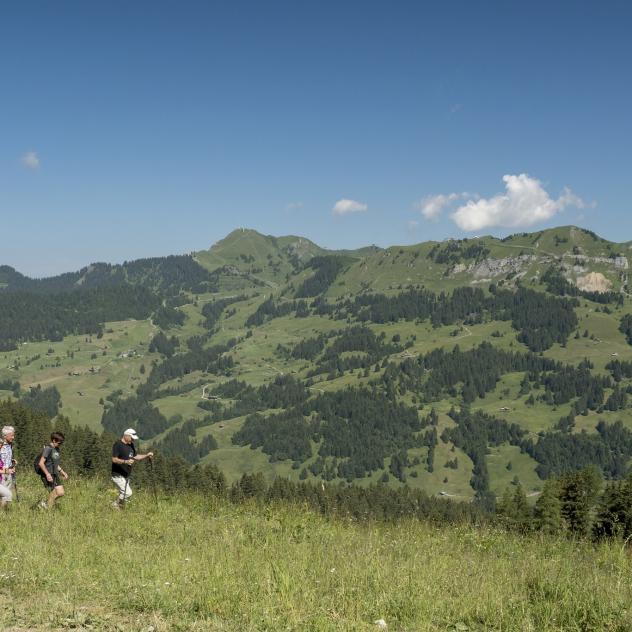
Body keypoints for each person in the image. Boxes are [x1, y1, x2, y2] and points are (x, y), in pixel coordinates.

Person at [111, 428, 153, 509]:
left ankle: (119, 509)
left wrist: (146, 455)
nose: (133, 440)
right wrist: (125, 462)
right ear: (126, 435)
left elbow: (135, 457)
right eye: (132, 438)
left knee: (124, 494)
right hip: (117, 475)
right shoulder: (118, 444)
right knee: (128, 493)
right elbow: (114, 459)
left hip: (126, 475)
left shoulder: (131, 445)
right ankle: (114, 505)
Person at [38, 431, 69, 509]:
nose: (60, 445)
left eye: (61, 443)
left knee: (61, 492)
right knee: (55, 492)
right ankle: (47, 510)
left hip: (55, 473)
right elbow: (41, 463)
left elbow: (55, 463)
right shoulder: (48, 449)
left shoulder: (57, 449)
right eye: (59, 443)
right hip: (48, 474)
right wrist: (47, 474)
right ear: (54, 440)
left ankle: (44, 504)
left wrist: (62, 472)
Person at [0, 426, 16, 508]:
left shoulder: (10, 445)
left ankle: (3, 513)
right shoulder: (0, 445)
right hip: (2, 473)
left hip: (9, 472)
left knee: (6, 495)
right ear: (5, 436)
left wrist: (12, 461)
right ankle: (2, 513)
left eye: (13, 435)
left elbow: (6, 457)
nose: (13, 437)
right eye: (11, 435)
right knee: (5, 495)